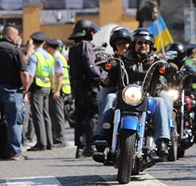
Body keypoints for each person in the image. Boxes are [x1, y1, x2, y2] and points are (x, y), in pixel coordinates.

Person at [99, 28, 175, 159]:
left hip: (149, 96)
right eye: (140, 43)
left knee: (161, 101)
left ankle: (162, 140)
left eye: (146, 43)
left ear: (151, 45)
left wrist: (170, 66)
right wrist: (109, 65)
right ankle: (100, 137)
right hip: (125, 96)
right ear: (134, 44)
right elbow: (111, 72)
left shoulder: (156, 60)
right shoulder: (123, 59)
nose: (143, 45)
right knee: (110, 97)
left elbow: (170, 69)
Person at [0, 25, 30, 161]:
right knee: (14, 121)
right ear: (11, 36)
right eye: (17, 35)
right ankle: (15, 153)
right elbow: (24, 74)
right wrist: (25, 89)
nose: (18, 38)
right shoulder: (15, 51)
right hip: (12, 92)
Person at [68, 19, 101, 158]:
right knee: (91, 116)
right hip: (88, 86)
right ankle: (90, 146)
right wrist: (100, 76)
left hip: (77, 86)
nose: (93, 33)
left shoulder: (74, 47)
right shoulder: (86, 45)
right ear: (87, 32)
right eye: (91, 31)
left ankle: (80, 147)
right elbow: (91, 66)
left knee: (80, 116)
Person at [94, 26, 132, 147]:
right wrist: (105, 75)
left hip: (138, 92)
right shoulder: (112, 60)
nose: (123, 46)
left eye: (126, 43)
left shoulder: (137, 58)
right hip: (119, 91)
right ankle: (102, 132)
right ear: (115, 46)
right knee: (106, 96)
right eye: (120, 44)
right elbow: (106, 80)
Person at [24, 31, 54, 151]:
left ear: (33, 42)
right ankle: (49, 142)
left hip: (37, 87)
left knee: (37, 116)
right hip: (47, 86)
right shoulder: (49, 56)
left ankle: (41, 143)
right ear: (44, 42)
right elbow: (52, 75)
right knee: (46, 115)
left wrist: (26, 89)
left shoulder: (34, 56)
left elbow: (30, 75)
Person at [45, 39, 71, 148]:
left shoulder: (56, 58)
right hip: (60, 90)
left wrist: (57, 90)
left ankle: (60, 140)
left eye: (47, 48)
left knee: (58, 115)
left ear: (50, 48)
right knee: (56, 115)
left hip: (59, 90)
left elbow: (59, 75)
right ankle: (58, 138)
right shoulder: (58, 57)